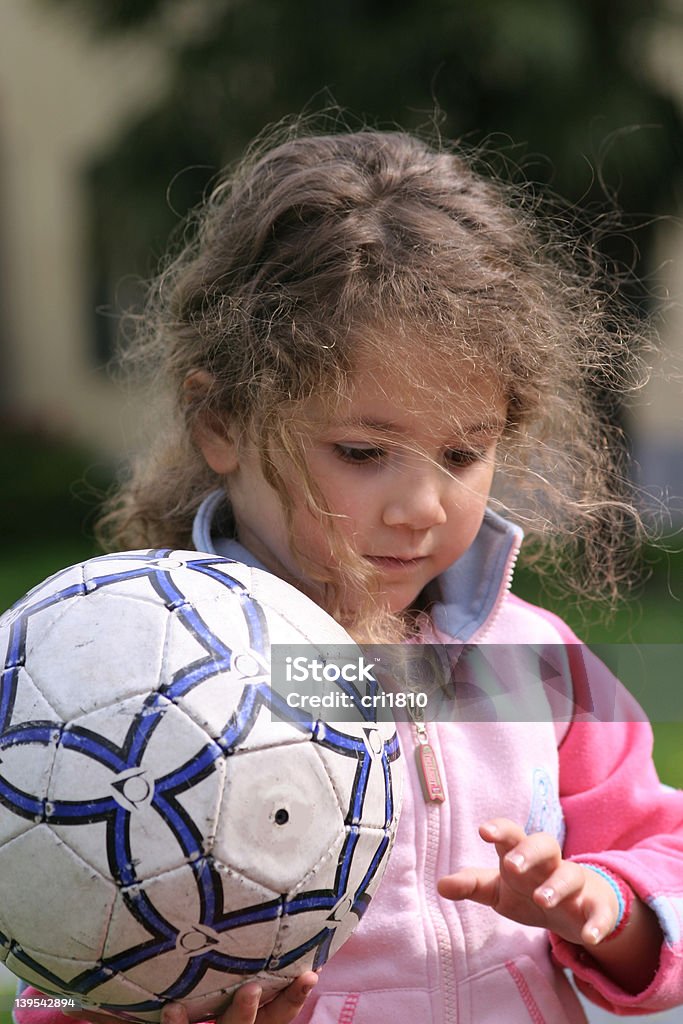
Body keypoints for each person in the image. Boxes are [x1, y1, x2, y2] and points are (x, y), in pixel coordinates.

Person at [15, 125, 683, 1024]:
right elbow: (56, 931)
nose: (420, 505)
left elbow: (659, 856)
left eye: (461, 451)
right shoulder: (134, 677)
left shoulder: (535, 664)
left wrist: (603, 907)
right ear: (221, 422)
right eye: (363, 451)